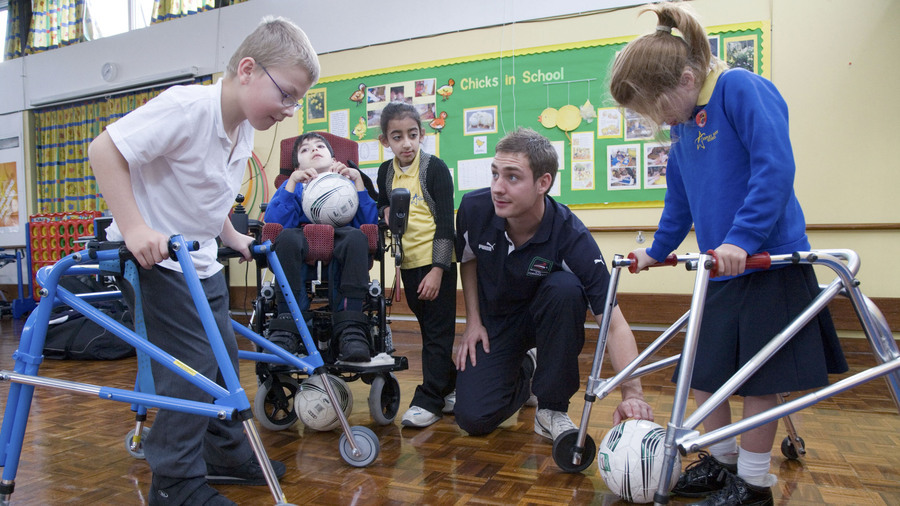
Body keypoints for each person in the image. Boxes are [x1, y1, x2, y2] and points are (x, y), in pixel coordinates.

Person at [610, 4, 848, 505]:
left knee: (760, 378)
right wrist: (657, 251)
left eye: (656, 107)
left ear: (689, 76)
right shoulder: (682, 125)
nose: (657, 120)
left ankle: (755, 483)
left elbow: (774, 169)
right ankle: (720, 466)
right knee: (705, 371)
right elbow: (680, 199)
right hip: (721, 270)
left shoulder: (741, 89)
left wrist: (742, 239)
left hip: (767, 263)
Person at [88, 17, 319, 506]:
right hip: (156, 263)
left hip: (201, 260)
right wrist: (133, 227)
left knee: (223, 363)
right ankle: (175, 483)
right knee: (190, 367)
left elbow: (206, 196)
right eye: (286, 94)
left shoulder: (239, 131)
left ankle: (225, 455)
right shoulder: (186, 107)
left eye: (296, 100)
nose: (289, 109)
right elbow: (104, 150)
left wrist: (232, 234)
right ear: (248, 70)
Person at [453, 127, 653, 442]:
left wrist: (633, 394)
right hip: (496, 323)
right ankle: (526, 371)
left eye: (512, 177)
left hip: (545, 318)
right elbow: (468, 258)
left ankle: (551, 408)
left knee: (566, 288)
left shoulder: (571, 236)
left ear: (543, 183)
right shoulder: (474, 209)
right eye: (494, 174)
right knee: (473, 419)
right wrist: (472, 321)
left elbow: (612, 323)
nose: (497, 188)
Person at [376, 102, 457, 428]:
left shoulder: (435, 169)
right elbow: (383, 202)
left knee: (438, 334)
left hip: (435, 264)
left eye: (412, 135)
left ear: (422, 134)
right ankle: (451, 387)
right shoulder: (385, 171)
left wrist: (438, 270)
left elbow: (445, 224)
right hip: (407, 264)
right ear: (385, 141)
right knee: (430, 333)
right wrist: (382, 210)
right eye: (397, 137)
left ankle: (430, 400)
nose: (406, 143)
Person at [264, 132, 378, 362]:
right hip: (300, 238)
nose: (313, 150)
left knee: (357, 238)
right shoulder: (292, 185)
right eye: (305, 150)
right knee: (285, 239)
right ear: (297, 164)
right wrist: (293, 182)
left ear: (334, 158)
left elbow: (368, 222)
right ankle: (288, 324)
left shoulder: (348, 183)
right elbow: (276, 223)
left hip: (342, 236)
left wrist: (358, 183)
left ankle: (351, 327)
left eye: (319, 146)